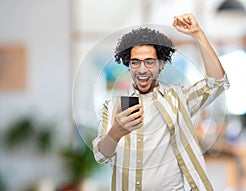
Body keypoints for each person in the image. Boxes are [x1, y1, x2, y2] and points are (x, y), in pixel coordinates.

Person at [92, 13, 229, 191]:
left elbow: (216, 82)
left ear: (161, 63)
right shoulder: (111, 108)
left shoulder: (179, 99)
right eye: (135, 62)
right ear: (128, 64)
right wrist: (117, 131)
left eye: (149, 62)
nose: (142, 70)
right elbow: (101, 155)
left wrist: (198, 34)